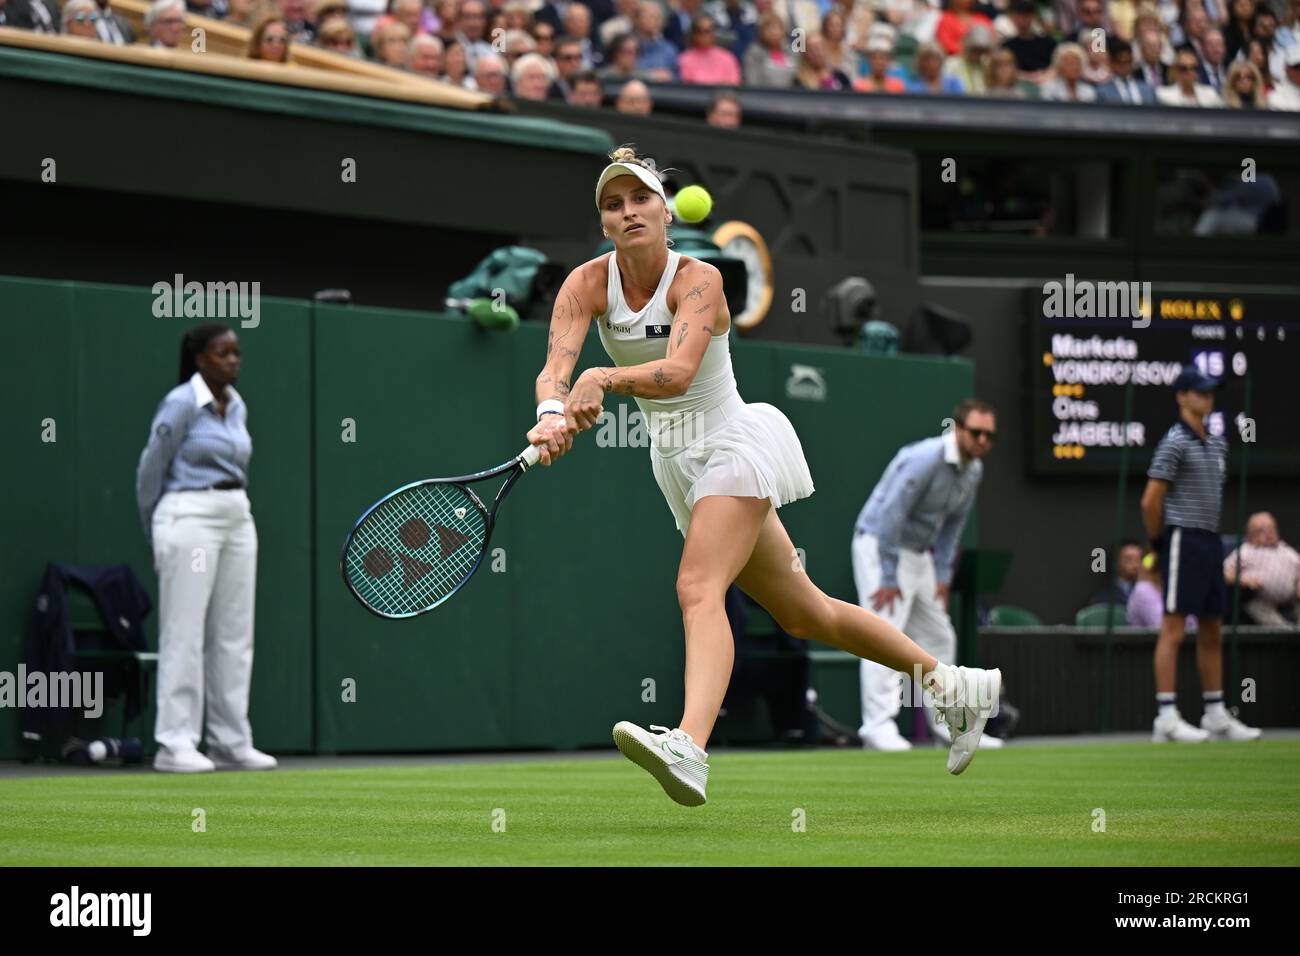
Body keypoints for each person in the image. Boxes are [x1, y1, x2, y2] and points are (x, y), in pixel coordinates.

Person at [524, 148, 1004, 805]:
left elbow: (679, 373)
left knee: (698, 586)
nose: (629, 211)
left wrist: (602, 378)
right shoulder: (585, 284)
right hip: (677, 465)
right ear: (604, 224)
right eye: (614, 204)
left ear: (665, 212)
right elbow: (555, 367)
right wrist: (551, 414)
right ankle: (954, 685)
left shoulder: (701, 282)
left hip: (735, 442)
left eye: (640, 199)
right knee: (807, 613)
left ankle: (691, 747)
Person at [136, 324, 275, 773]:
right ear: (200, 360)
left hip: (237, 514)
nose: (233, 361)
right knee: (185, 631)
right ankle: (174, 744)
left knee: (235, 633)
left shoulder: (236, 407)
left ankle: (231, 741)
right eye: (222, 354)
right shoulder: (180, 404)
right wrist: (157, 527)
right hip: (188, 514)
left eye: (236, 353)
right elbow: (150, 469)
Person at [852, 402, 1001, 752]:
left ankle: (947, 725)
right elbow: (891, 514)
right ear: (958, 429)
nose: (982, 440)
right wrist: (888, 575)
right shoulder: (925, 459)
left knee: (939, 637)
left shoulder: (973, 471)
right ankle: (877, 726)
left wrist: (942, 577)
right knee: (883, 631)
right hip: (880, 546)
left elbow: (952, 528)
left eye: (990, 436)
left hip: (920, 556)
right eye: (976, 432)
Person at [1140, 364, 1260, 743]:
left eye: (1210, 393)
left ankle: (1214, 713)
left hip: (1210, 542)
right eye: (1200, 392)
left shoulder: (1218, 443)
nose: (1207, 399)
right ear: (1182, 396)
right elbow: (1150, 502)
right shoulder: (1174, 441)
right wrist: (1158, 543)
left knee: (1212, 628)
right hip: (1181, 540)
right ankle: (1166, 716)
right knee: (1174, 627)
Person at [1223, 512, 1300, 626]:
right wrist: (1243, 580)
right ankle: (1285, 633)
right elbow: (1223, 573)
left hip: (1292, 600)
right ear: (1250, 536)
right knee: (1276, 624)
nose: (1269, 533)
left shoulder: (1286, 549)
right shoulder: (1245, 551)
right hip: (1258, 600)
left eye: (1271, 528)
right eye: (1261, 530)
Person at [1089, 538, 1143, 607]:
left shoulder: (1151, 593)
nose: (1135, 565)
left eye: (1139, 559)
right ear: (1115, 562)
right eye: (1128, 559)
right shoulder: (1102, 599)